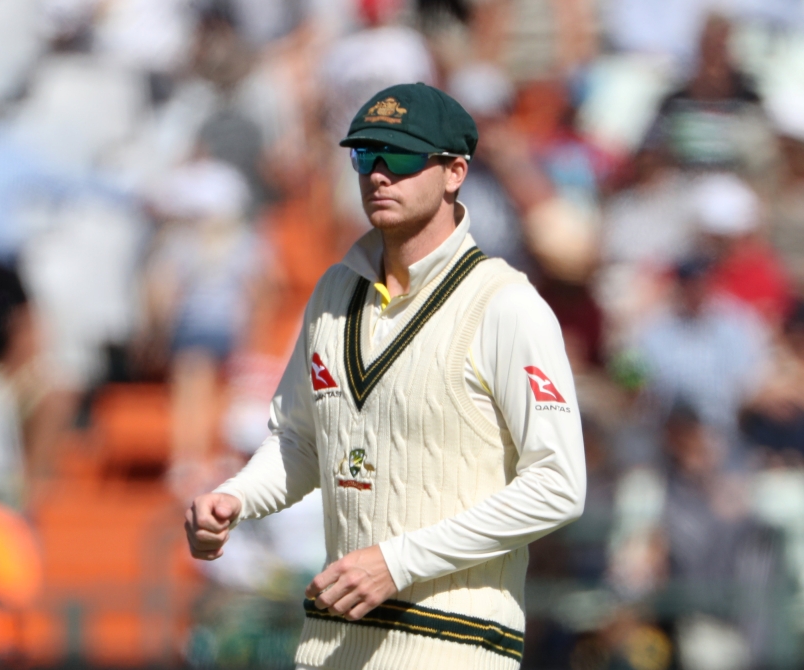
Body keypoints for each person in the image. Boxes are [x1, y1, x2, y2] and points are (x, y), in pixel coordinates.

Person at [185, 83, 586, 669]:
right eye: (365, 155)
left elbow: (558, 486)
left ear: (454, 172)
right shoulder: (332, 292)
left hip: (453, 649)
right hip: (330, 648)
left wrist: (399, 563)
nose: (378, 173)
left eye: (400, 157)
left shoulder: (506, 305)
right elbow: (301, 440)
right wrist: (236, 497)